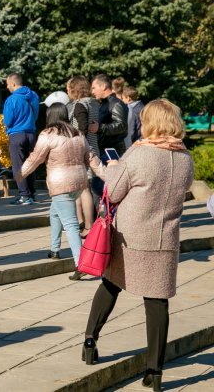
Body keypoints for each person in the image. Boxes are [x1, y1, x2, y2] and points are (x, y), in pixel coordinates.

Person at [82, 99, 193, 392]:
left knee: (110, 283)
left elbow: (114, 191)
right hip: (164, 238)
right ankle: (154, 373)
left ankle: (90, 342)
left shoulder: (139, 154)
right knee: (157, 301)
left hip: (130, 236)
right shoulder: (186, 158)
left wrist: (114, 166)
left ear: (150, 122)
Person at [15, 104, 103, 280]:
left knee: (70, 224)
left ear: (50, 116)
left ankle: (80, 264)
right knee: (55, 213)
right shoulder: (77, 133)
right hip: (79, 181)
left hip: (60, 183)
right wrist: (108, 175)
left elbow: (35, 158)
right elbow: (91, 158)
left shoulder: (48, 134)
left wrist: (19, 175)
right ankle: (55, 249)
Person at [66, 76, 100, 238]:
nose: (67, 91)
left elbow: (81, 128)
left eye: (69, 88)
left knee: (83, 189)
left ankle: (87, 225)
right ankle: (85, 223)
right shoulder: (93, 103)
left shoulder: (80, 105)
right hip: (93, 147)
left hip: (82, 151)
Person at [3, 73, 40, 205]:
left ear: (13, 84)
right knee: (30, 164)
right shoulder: (34, 96)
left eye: (8, 84)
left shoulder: (11, 99)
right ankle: (32, 193)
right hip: (31, 133)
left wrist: (5, 124)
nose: (7, 87)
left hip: (16, 135)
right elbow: (35, 115)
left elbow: (8, 120)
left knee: (18, 166)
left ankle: (24, 195)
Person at [90, 74, 128, 198]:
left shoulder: (116, 103)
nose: (92, 91)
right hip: (104, 150)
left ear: (104, 86)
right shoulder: (104, 103)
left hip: (112, 152)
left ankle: (113, 213)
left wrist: (100, 128)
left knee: (104, 186)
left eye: (94, 87)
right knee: (98, 186)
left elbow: (121, 126)